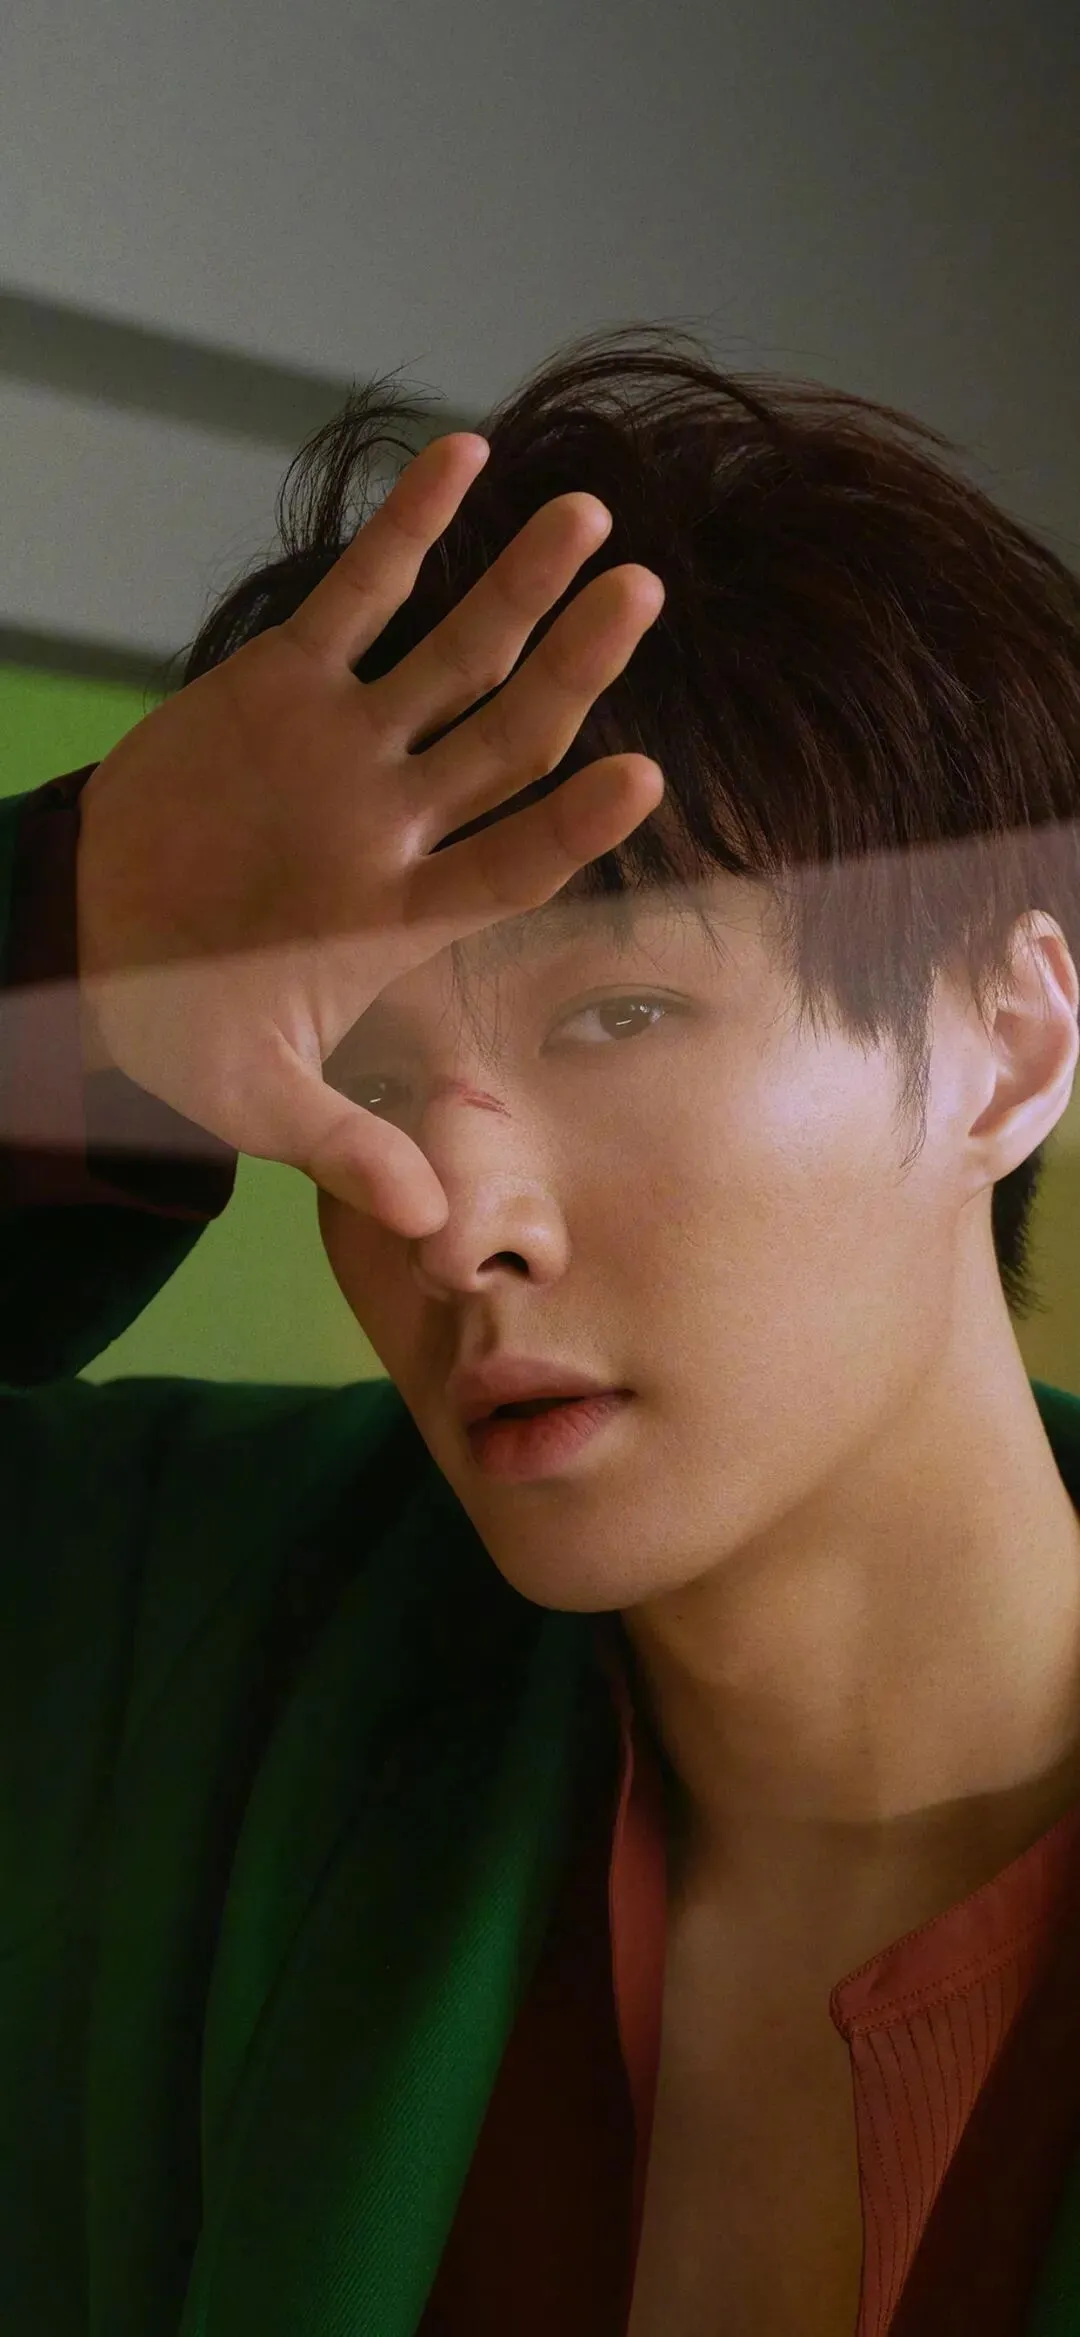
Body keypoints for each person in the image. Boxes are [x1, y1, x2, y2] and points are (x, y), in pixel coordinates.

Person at [3, 323, 1080, 2337]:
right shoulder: (187, 1650)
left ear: (1007, 1046)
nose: (452, 1212)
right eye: (361, 1076)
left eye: (618, 1014)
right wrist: (65, 931)